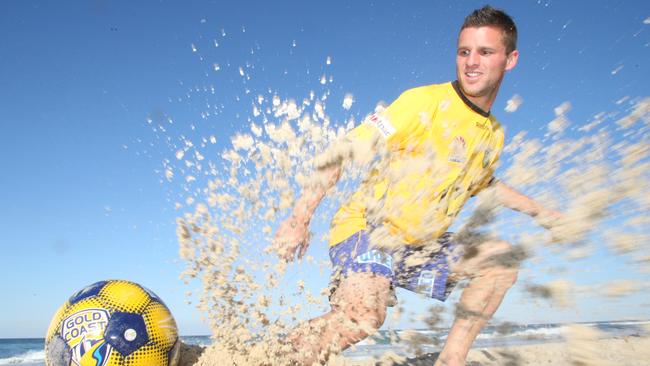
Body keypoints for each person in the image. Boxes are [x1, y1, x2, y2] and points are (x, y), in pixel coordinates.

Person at [274, 5, 561, 366]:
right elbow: (345, 150)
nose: (472, 62)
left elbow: (482, 185)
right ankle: (272, 358)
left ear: (510, 59)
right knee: (363, 316)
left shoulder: (494, 134)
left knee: (501, 262)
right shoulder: (423, 103)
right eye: (464, 51)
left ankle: (451, 360)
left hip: (418, 247)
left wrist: (543, 213)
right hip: (368, 230)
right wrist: (300, 218)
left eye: (485, 52)